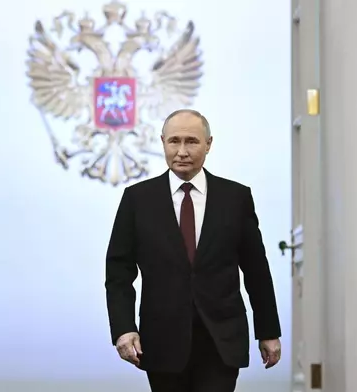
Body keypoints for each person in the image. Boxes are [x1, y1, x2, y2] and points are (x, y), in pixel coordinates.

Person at [105, 109, 282, 392]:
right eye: (174, 141)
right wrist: (124, 328)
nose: (182, 151)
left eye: (192, 141)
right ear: (162, 142)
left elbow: (256, 270)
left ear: (209, 144)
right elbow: (118, 272)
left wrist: (268, 331)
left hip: (221, 338)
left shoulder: (235, 198)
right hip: (162, 340)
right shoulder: (138, 199)